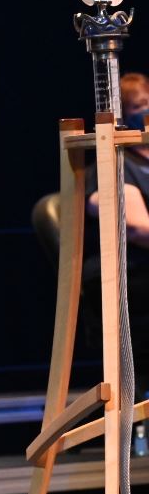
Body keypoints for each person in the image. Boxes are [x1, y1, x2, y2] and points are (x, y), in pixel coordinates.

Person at [86, 71, 149, 401]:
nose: (145, 111)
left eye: (148, 103)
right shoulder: (116, 161)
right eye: (137, 106)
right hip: (130, 272)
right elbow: (138, 228)